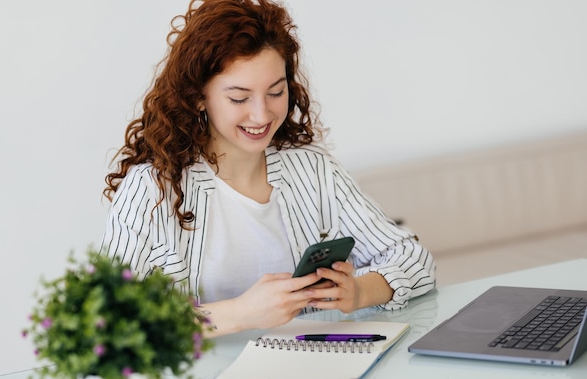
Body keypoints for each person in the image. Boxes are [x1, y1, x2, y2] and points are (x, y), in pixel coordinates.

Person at [101, 0, 436, 337]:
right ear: (199, 96)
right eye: (239, 98)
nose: (262, 116)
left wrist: (360, 292)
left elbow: (414, 259)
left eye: (276, 92)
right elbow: (111, 321)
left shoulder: (314, 170)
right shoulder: (153, 189)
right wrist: (240, 313)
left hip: (311, 374)